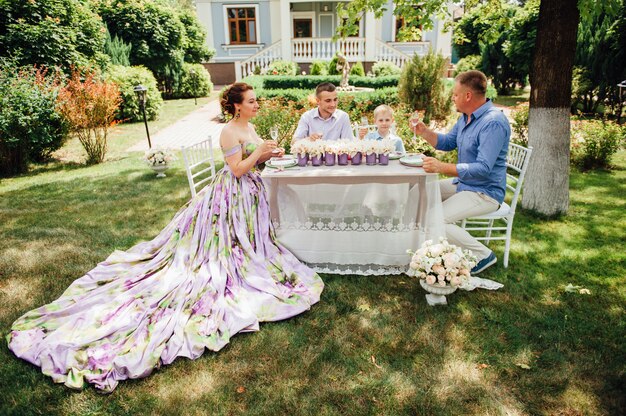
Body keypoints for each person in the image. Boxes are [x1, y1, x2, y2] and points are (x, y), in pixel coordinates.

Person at [7, 82, 324, 393]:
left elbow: (254, 161)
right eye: (252, 101)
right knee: (212, 259)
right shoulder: (229, 131)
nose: (257, 104)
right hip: (229, 197)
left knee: (250, 245)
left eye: (257, 100)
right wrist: (259, 153)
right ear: (237, 105)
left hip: (247, 195)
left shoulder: (249, 126)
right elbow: (237, 169)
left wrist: (268, 153)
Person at [411, 70, 510, 274]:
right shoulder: (466, 117)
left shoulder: (493, 123)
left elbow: (483, 169)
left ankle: (483, 255)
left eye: (455, 94)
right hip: (465, 184)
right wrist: (424, 132)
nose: (452, 98)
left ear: (467, 96)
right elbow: (447, 143)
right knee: (417, 193)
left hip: (484, 192)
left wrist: (442, 167)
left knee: (436, 219)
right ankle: (428, 246)